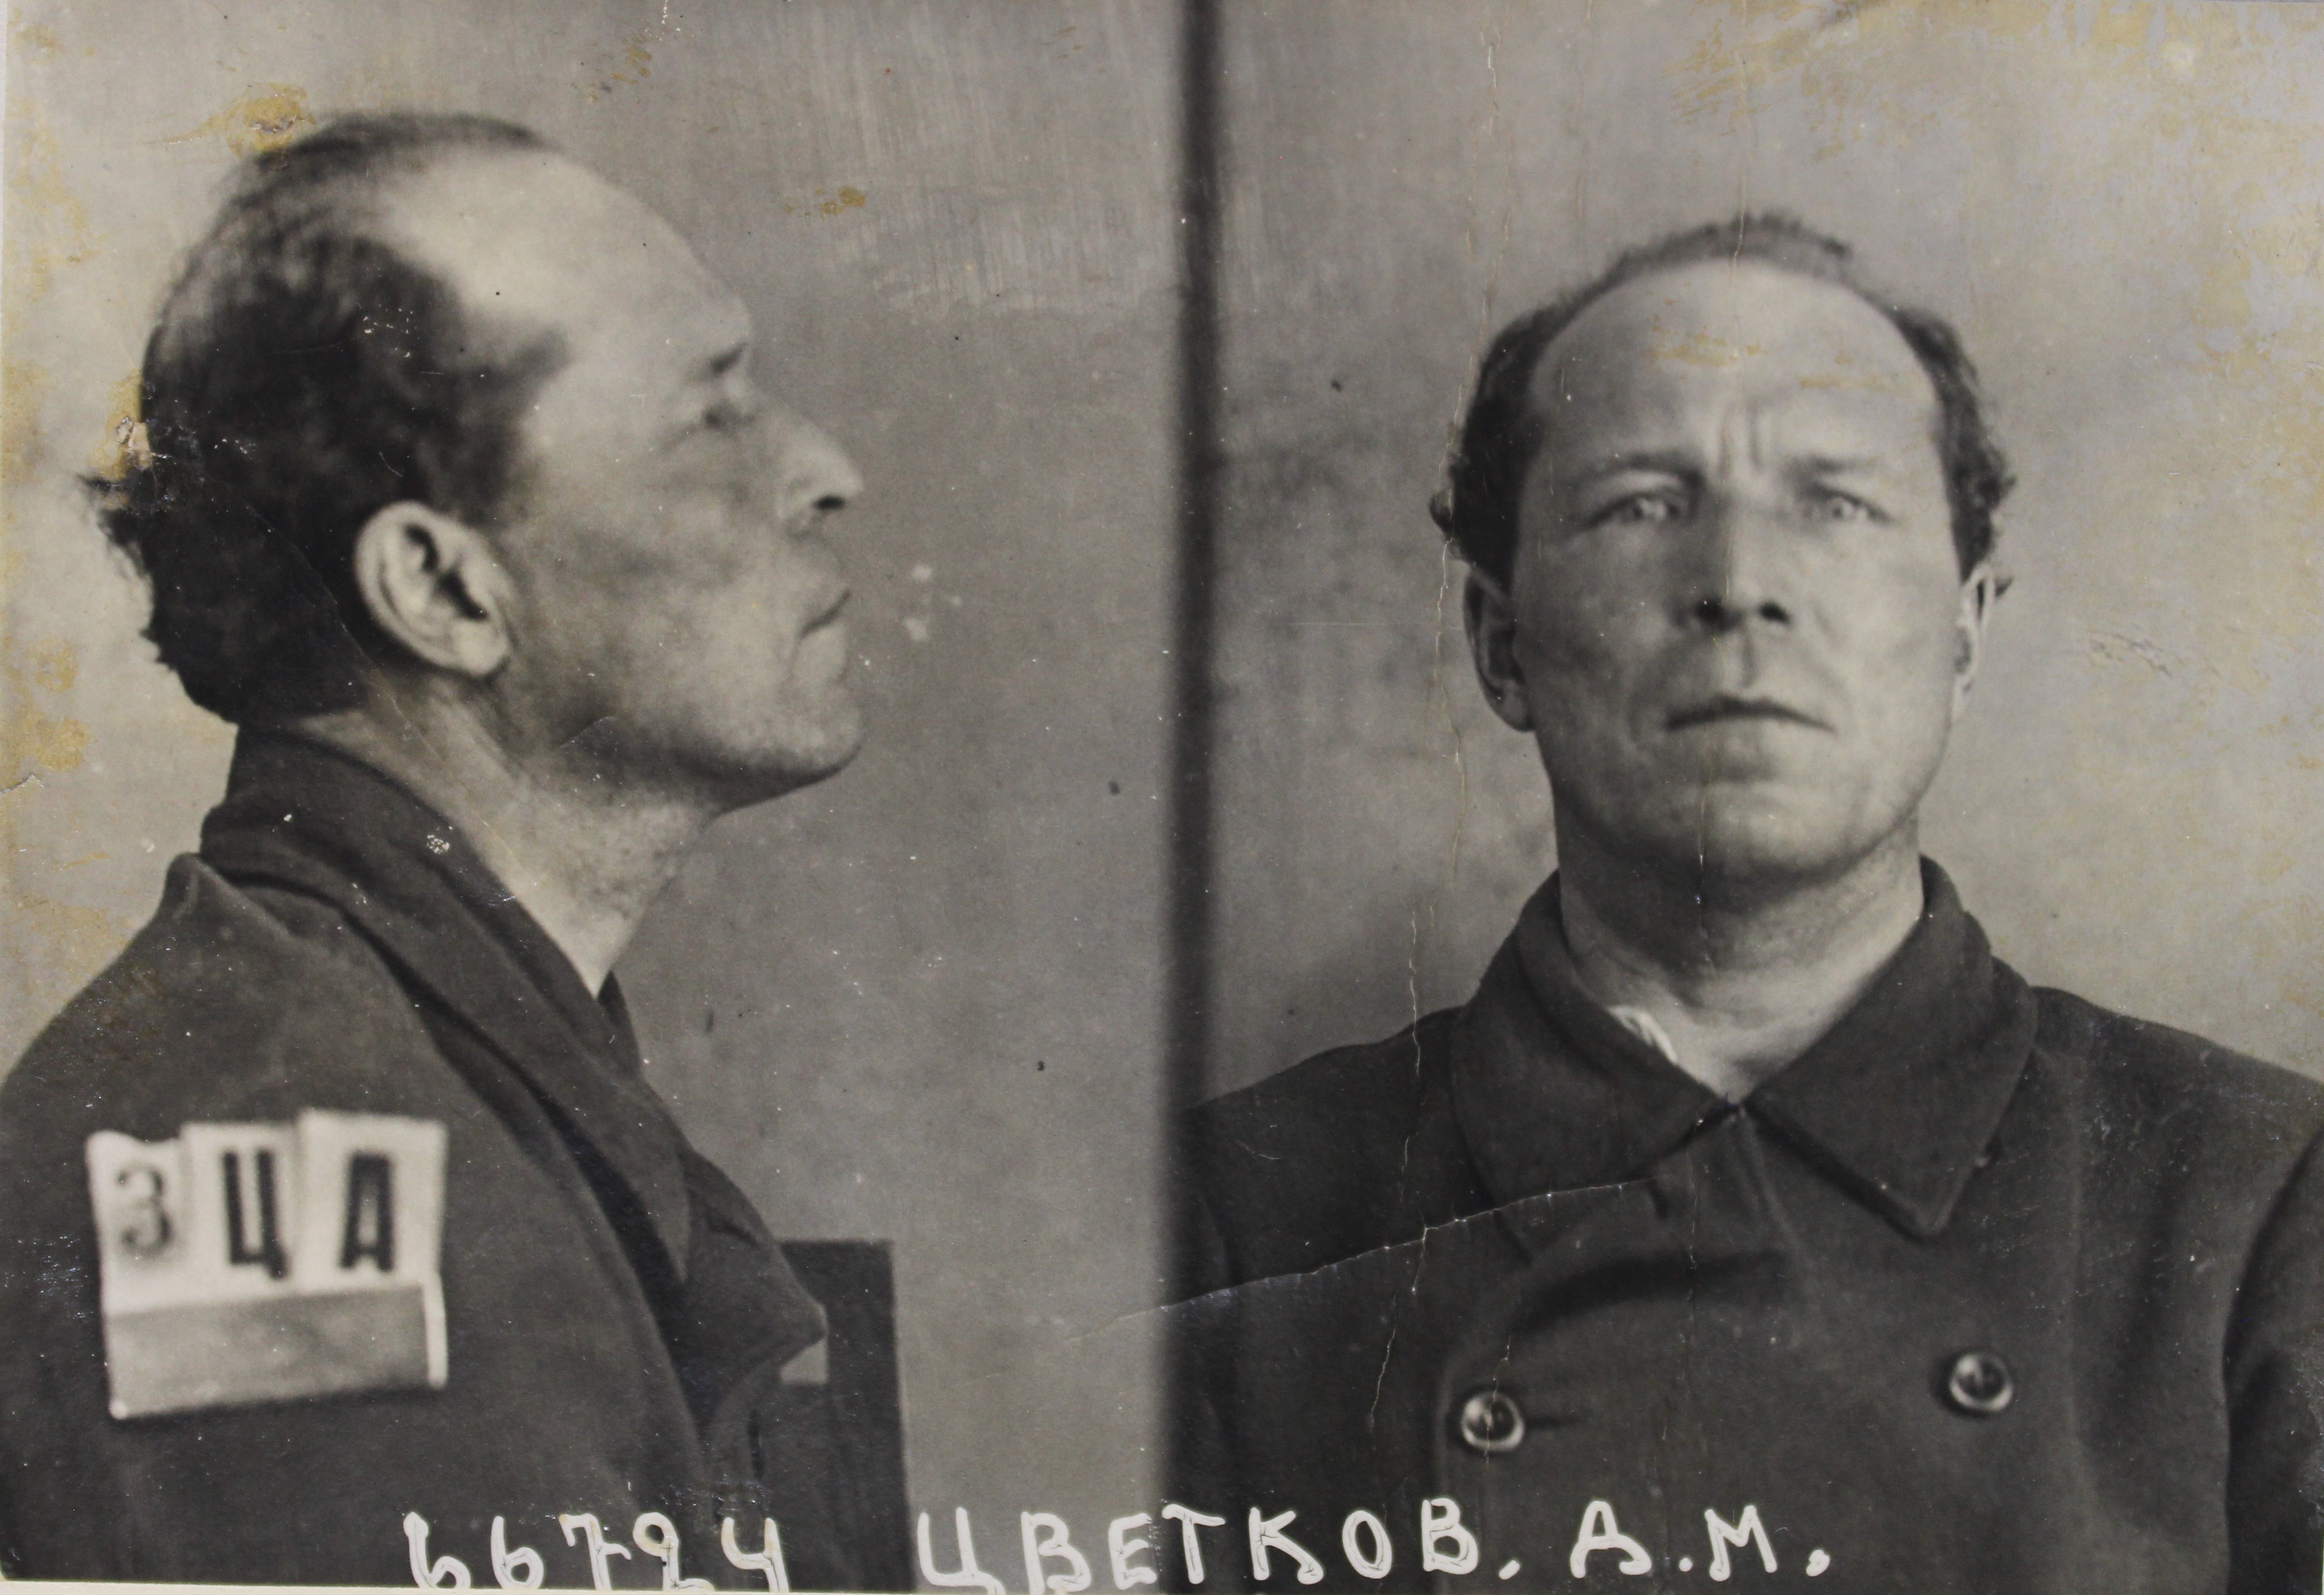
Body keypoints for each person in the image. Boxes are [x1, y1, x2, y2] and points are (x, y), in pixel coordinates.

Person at [1170, 215, 2324, 1592]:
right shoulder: (1231, 1212)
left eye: (1835, 504)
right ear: (1499, 643)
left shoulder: (2262, 1201)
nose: (1738, 584)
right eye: (1640, 505)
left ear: (1964, 630)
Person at [0, 113, 880, 1585]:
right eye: (709, 416)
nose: (825, 469)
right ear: (443, 590)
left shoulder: (415, 1059)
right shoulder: (286, 1142)